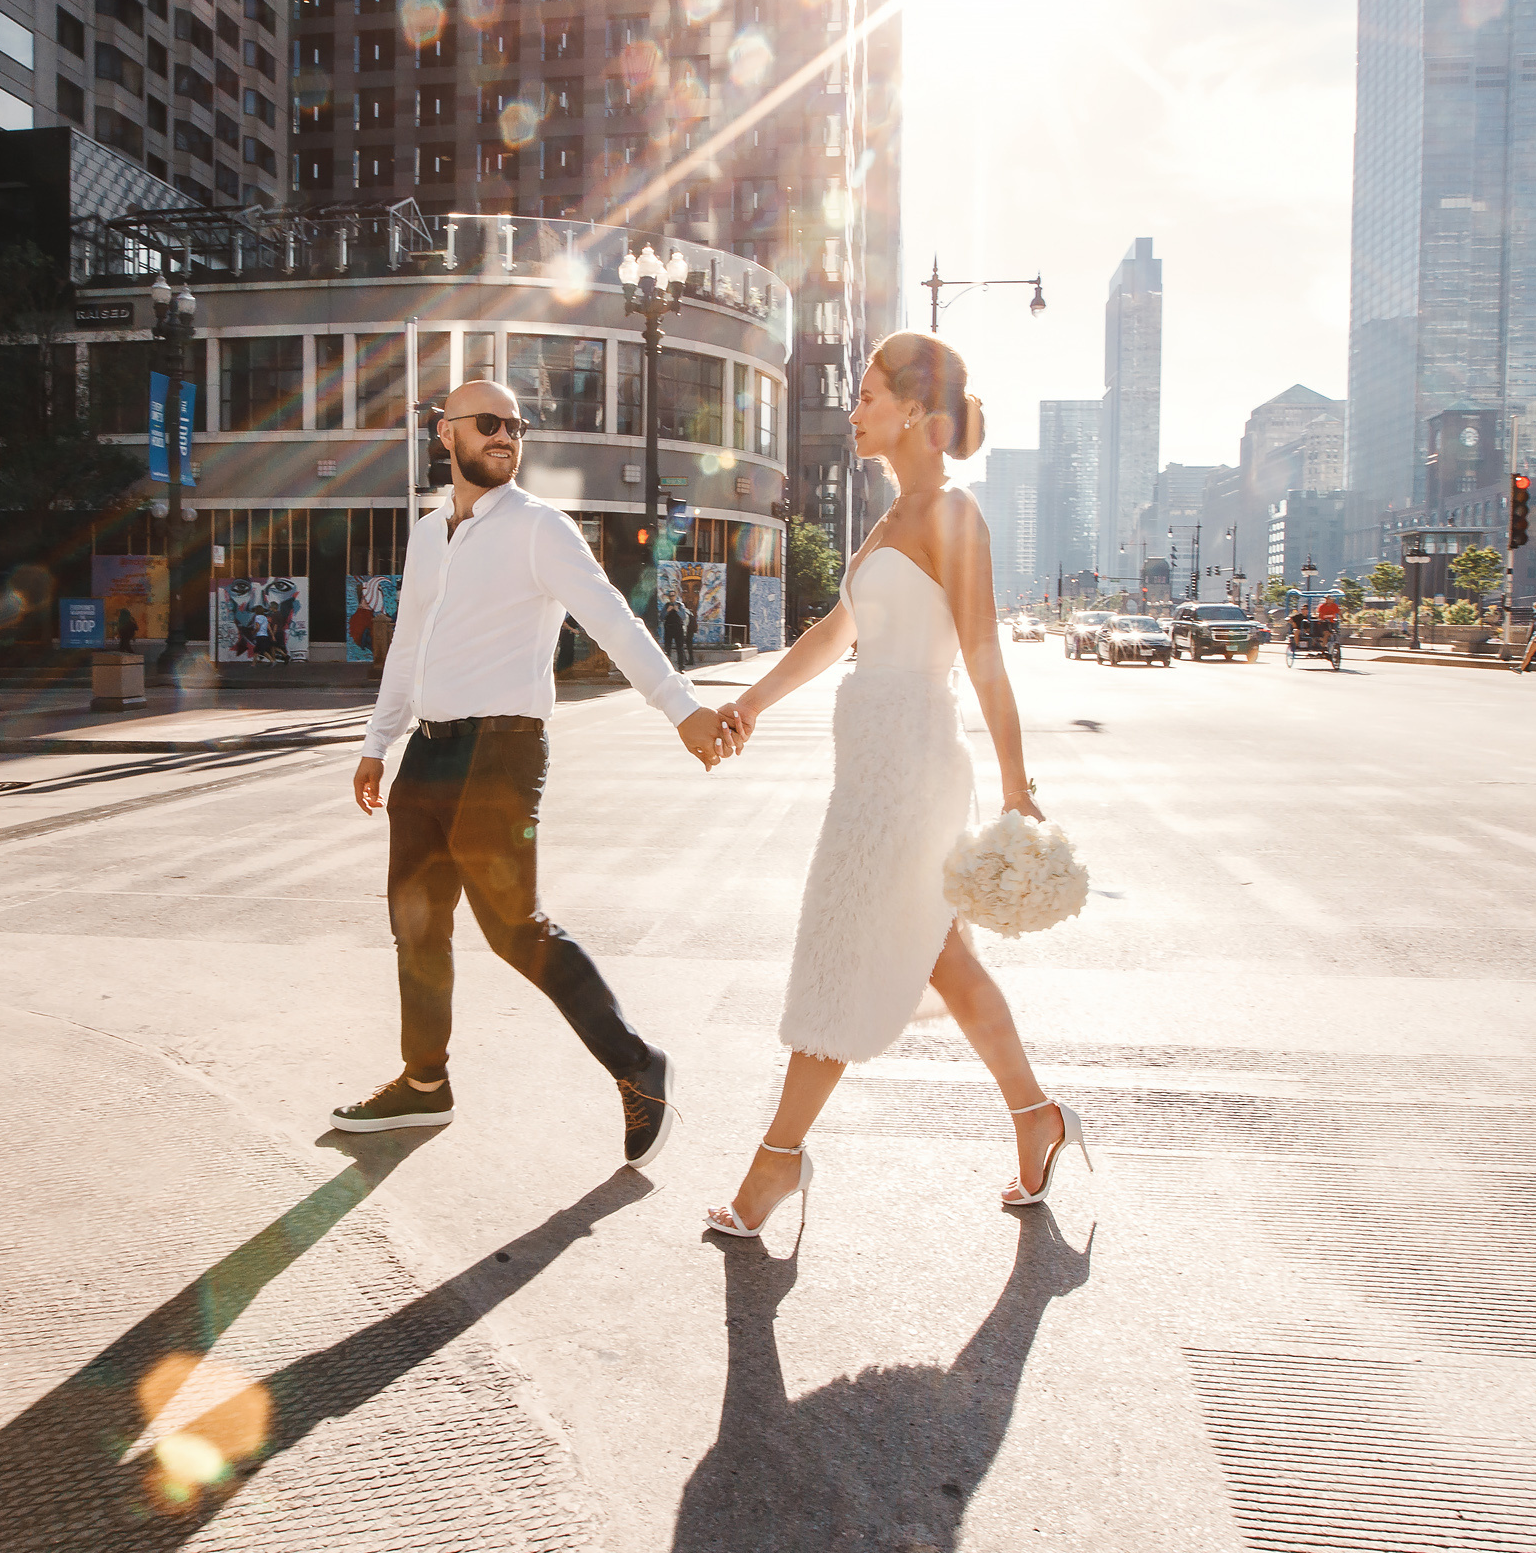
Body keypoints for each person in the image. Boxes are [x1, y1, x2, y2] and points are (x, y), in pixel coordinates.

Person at [704, 332, 1071, 1240]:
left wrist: (1019, 784)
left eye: (867, 394)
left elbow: (984, 654)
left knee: (839, 948)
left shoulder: (952, 515)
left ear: (912, 408)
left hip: (908, 771)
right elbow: (838, 630)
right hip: (870, 762)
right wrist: (748, 701)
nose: (854, 409)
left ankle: (774, 1164)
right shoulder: (890, 518)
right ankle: (1037, 1116)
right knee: (939, 954)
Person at [333, 379, 736, 1167]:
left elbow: (611, 615)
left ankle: (637, 1065)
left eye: (515, 426)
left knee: (515, 928)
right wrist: (379, 741)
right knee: (415, 923)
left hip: (503, 751)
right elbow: (409, 646)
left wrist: (681, 706)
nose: (505, 437)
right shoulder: (426, 535)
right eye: (487, 424)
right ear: (444, 435)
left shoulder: (538, 528)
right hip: (430, 748)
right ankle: (424, 1083)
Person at [663, 593, 693, 670]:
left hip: (678, 629)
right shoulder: (666, 606)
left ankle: (681, 667)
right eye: (670, 596)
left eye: (673, 596)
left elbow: (683, 617)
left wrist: (677, 610)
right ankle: (667, 668)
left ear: (675, 597)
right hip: (669, 628)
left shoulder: (680, 605)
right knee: (667, 648)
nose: (671, 598)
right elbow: (661, 617)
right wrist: (667, 611)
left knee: (680, 648)